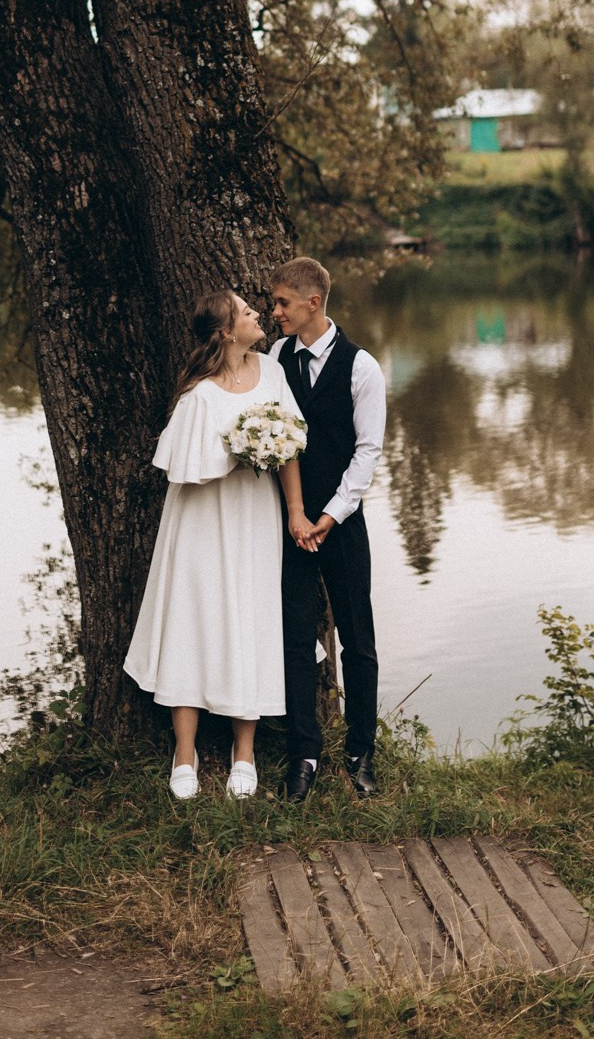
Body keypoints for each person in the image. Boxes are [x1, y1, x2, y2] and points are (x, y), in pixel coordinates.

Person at [124, 289, 311, 800]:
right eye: (246, 312)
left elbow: (291, 443)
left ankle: (243, 752)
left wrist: (295, 510)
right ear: (227, 332)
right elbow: (184, 469)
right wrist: (241, 448)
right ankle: (184, 753)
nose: (257, 313)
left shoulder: (272, 372)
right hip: (202, 520)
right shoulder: (199, 395)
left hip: (254, 516)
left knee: (250, 618)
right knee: (192, 621)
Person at [271, 256, 386, 801]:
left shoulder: (362, 367)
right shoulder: (276, 358)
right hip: (290, 524)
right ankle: (304, 754)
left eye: (283, 303)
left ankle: (362, 753)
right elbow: (276, 436)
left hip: (341, 523)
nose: (276, 313)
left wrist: (330, 515)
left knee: (358, 640)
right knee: (296, 639)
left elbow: (368, 453)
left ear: (312, 302)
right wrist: (298, 515)